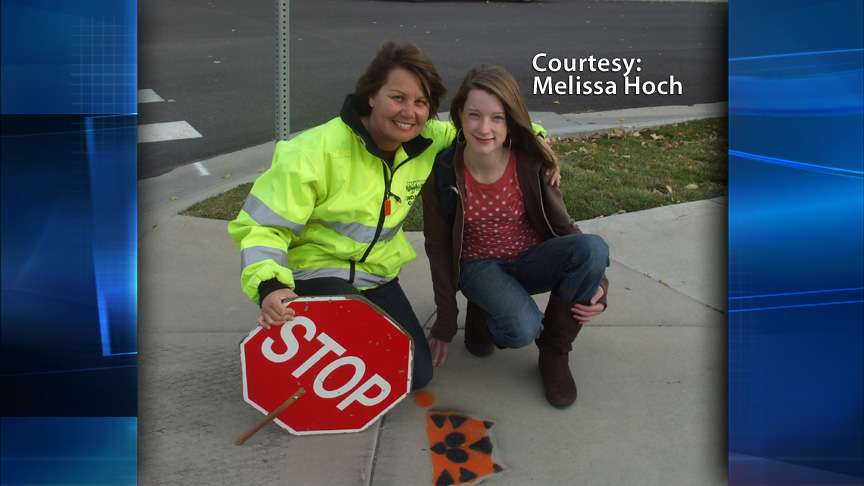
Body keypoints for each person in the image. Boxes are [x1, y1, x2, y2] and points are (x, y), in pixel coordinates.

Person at [228, 41, 455, 389]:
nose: (410, 112)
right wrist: (270, 286)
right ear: (371, 96)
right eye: (398, 97)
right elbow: (262, 228)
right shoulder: (312, 151)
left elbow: (485, 127)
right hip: (313, 275)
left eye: (421, 102)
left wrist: (537, 139)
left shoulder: (427, 139)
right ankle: (294, 324)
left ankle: (325, 340)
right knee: (351, 335)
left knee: (415, 374)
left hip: (376, 278)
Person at [422, 65, 610, 407]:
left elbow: (565, 227)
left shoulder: (530, 161)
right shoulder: (443, 170)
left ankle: (554, 353)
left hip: (530, 260)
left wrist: (600, 284)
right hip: (478, 266)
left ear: (510, 121)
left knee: (594, 248)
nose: (484, 128)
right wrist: (446, 322)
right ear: (459, 115)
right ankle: (486, 311)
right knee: (522, 329)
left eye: (497, 118)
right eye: (474, 115)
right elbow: (437, 248)